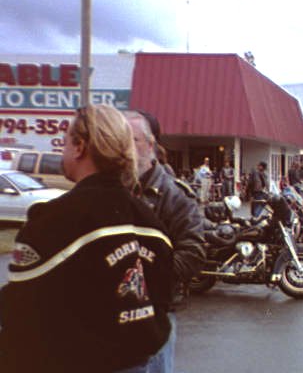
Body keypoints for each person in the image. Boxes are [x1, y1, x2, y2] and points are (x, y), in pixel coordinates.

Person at [0, 104, 174, 373]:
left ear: (80, 147)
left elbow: (23, 314)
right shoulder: (150, 221)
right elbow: (161, 300)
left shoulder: (53, 221)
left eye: (66, 142)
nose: (63, 150)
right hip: (140, 361)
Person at [124, 110, 208, 371]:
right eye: (118, 141)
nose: (124, 149)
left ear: (150, 145)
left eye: (132, 140)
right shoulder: (112, 190)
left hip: (155, 315)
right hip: (115, 317)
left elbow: (193, 253)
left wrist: (144, 280)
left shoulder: (175, 196)